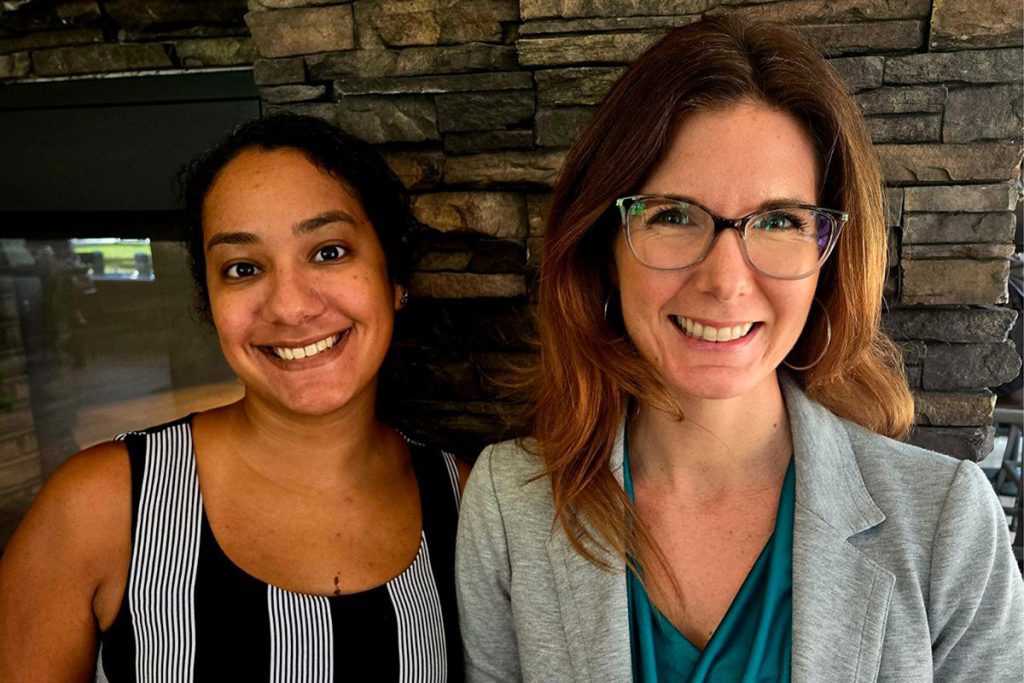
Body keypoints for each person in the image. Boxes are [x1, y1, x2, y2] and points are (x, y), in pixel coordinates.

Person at [455, 15, 1024, 682]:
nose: (725, 282)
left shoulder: (947, 526)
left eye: (779, 220)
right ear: (604, 248)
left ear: (828, 258)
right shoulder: (508, 504)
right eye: (673, 214)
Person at [0, 114, 469, 681]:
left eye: (328, 252)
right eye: (243, 268)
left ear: (394, 279)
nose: (290, 307)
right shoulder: (98, 506)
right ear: (211, 304)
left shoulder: (465, 501)